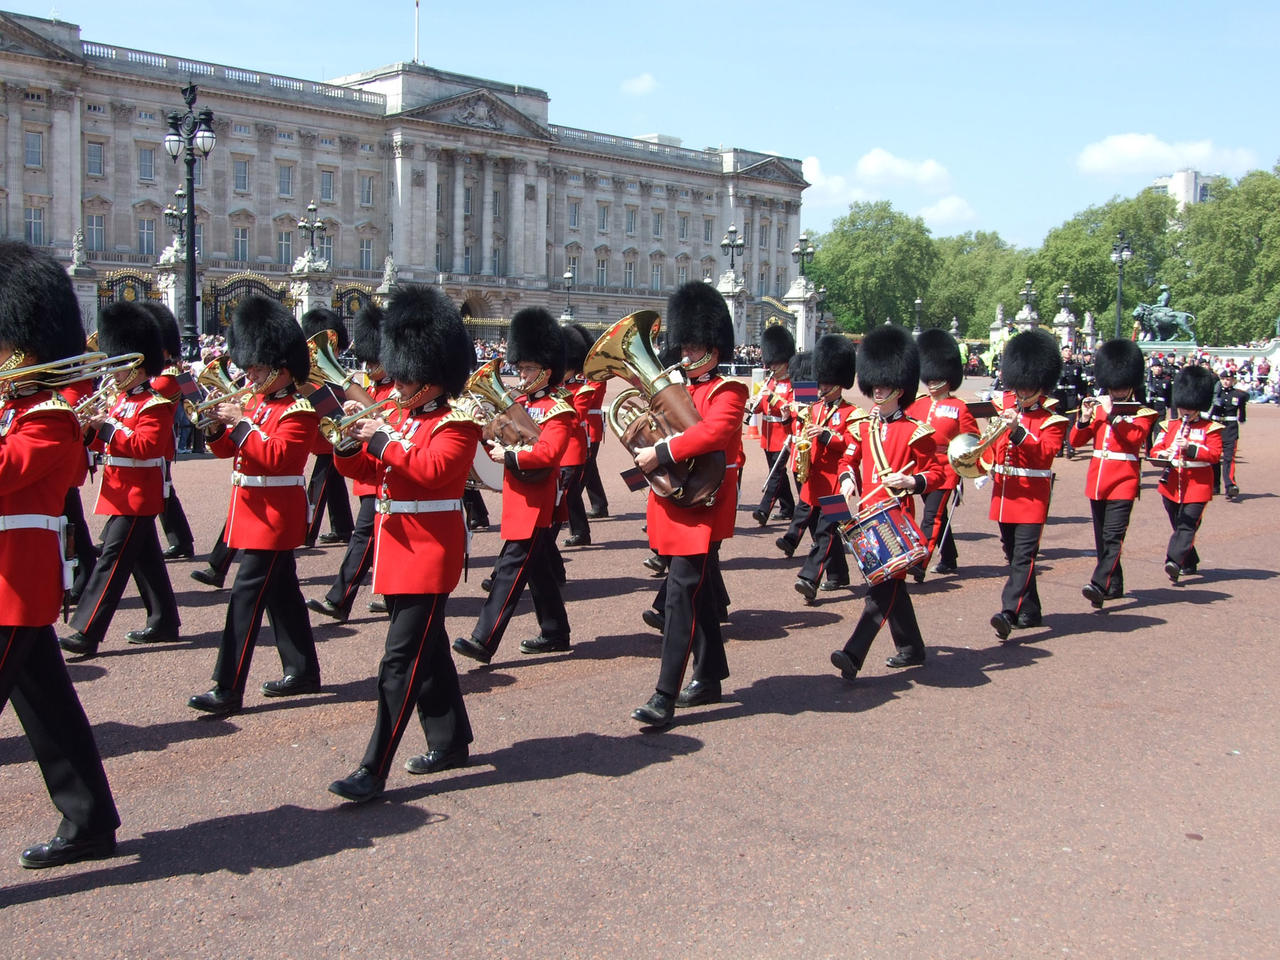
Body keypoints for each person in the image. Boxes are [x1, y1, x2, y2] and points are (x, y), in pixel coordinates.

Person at [327, 284, 480, 803]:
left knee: (398, 664)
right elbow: (369, 470)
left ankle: (373, 769)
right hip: (396, 549)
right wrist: (348, 447)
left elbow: (434, 472)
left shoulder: (456, 424)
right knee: (428, 651)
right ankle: (451, 739)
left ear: (432, 372)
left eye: (408, 371)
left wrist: (382, 441)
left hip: (430, 553)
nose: (400, 380)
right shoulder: (396, 416)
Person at [0, 240, 119, 869]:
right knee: (49, 708)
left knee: (46, 703)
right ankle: (90, 819)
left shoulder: (48, 417)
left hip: (14, 585)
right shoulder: (12, 409)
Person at [187, 296, 321, 716]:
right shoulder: (256, 404)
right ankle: (302, 670)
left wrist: (241, 425)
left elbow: (280, 457)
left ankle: (227, 686)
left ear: (282, 370)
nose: (250, 374)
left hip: (276, 516)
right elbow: (231, 451)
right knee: (282, 594)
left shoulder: (299, 410)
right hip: (251, 511)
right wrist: (214, 428)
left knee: (245, 599)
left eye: (258, 369)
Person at [631, 282, 747, 727]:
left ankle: (665, 693)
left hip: (705, 500)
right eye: (685, 342)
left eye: (696, 343)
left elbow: (714, 434)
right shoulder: (676, 388)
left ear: (713, 348)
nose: (687, 349)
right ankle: (711, 673)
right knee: (695, 593)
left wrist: (661, 453)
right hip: (674, 497)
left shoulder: (728, 389)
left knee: (681, 594)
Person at [452, 307, 573, 665]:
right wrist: (476, 428)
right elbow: (492, 439)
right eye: (520, 368)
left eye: (527, 369)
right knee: (540, 572)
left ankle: (483, 639)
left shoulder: (559, 410)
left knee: (509, 569)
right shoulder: (517, 403)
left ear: (546, 371)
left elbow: (550, 453)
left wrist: (511, 457)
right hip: (518, 496)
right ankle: (555, 631)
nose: (520, 374)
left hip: (538, 499)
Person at [61, 301, 182, 656]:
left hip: (138, 494)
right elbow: (109, 440)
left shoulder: (154, 403)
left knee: (110, 562)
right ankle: (164, 620)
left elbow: (145, 446)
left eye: (119, 366)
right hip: (120, 491)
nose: (112, 373)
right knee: (145, 560)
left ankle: (86, 630)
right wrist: (89, 431)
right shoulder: (121, 400)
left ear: (138, 366)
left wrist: (107, 427)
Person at [828, 325, 942, 682]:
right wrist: (847, 481)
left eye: (883, 384)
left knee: (879, 590)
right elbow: (847, 461)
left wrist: (911, 481)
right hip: (866, 518)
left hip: (896, 521)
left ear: (899, 386)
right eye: (874, 384)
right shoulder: (864, 426)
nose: (877, 389)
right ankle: (911, 648)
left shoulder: (916, 432)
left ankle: (853, 654)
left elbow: (939, 473)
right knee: (891, 588)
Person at [307, 303, 397, 623]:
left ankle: (339, 598)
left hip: (385, 476)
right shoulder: (371, 387)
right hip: (368, 470)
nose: (370, 366)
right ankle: (392, 596)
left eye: (376, 361)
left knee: (364, 537)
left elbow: (387, 423)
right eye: (369, 360)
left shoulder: (396, 392)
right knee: (381, 537)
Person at [985, 329, 1068, 640]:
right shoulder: (1006, 405)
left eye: (1027, 389)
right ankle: (1030, 611)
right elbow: (992, 443)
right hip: (1005, 494)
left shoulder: (1053, 420)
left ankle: (1008, 611)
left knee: (1023, 557)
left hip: (1032, 498)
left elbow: (1045, 454)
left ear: (1040, 387)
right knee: (1012, 554)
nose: (1021, 394)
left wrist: (1018, 432)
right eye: (1018, 388)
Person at [1070, 339, 1158, 609]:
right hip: (1098, 480)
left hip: (1124, 480)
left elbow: (1134, 439)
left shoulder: (1142, 412)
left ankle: (1099, 583)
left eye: (1121, 386)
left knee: (1113, 536)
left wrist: (1112, 416)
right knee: (1101, 537)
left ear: (1131, 385)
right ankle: (1115, 584)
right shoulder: (1098, 407)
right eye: (1113, 385)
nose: (1117, 391)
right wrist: (1084, 418)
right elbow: (1074, 442)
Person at [905, 328, 978, 578]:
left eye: (938, 378)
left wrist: (963, 472)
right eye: (931, 378)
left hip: (945, 469)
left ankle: (921, 561)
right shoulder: (918, 404)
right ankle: (949, 556)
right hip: (921, 467)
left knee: (932, 516)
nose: (933, 382)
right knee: (938, 514)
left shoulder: (959, 408)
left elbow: (971, 442)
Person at [792, 335, 860, 599]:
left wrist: (826, 435)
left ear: (840, 383)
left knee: (825, 532)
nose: (822, 386)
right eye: (822, 381)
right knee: (827, 532)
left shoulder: (853, 413)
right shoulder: (815, 408)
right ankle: (838, 575)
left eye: (828, 382)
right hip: (815, 481)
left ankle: (809, 578)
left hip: (835, 485)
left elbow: (852, 446)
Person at [1149, 365, 1221, 582]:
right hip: (1171, 484)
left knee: (1187, 524)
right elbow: (1155, 450)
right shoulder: (1169, 426)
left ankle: (1174, 561)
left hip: (1198, 486)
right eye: (1182, 407)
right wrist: (1166, 454)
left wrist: (1190, 448)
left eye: (1189, 407)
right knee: (1178, 524)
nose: (1185, 411)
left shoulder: (1211, 428)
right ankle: (1190, 561)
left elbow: (1215, 454)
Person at [141, 301, 197, 561]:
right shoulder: (158, 374)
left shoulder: (168, 377)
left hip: (159, 443)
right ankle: (181, 541)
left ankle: (182, 541)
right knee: (163, 492)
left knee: (161, 492)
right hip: (152, 442)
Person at [301, 307, 356, 546]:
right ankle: (342, 527)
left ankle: (307, 530)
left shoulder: (333, 370)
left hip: (331, 432)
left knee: (320, 482)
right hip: (323, 431)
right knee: (332, 482)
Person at [751, 324, 796, 527]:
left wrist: (773, 398)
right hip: (767, 435)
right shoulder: (769, 382)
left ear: (786, 362)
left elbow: (793, 409)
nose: (773, 367)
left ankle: (764, 509)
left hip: (784, 434)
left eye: (777, 363)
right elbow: (762, 407)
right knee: (776, 472)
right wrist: (754, 404)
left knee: (775, 474)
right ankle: (788, 508)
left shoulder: (793, 383)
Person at [1208, 368, 1246, 500]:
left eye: (1228, 379)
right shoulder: (1215, 394)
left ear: (1233, 381)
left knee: (1229, 459)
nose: (1225, 382)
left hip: (1230, 430)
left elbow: (1242, 413)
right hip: (1216, 428)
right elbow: (1208, 415)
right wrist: (1213, 405)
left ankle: (1230, 485)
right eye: (1223, 379)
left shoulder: (1238, 395)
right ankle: (1215, 485)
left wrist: (1242, 419)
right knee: (1214, 458)